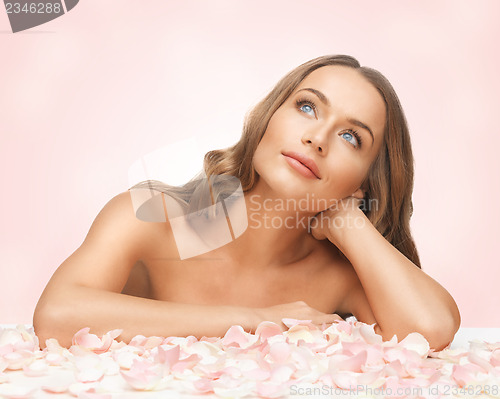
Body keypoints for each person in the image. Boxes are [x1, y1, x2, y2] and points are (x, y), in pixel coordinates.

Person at [33, 55, 460, 351]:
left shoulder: (340, 277)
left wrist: (348, 219)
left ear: (365, 181)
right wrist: (257, 319)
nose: (317, 138)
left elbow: (432, 329)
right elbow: (57, 315)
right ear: (268, 117)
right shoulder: (150, 217)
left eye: (351, 137)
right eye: (307, 107)